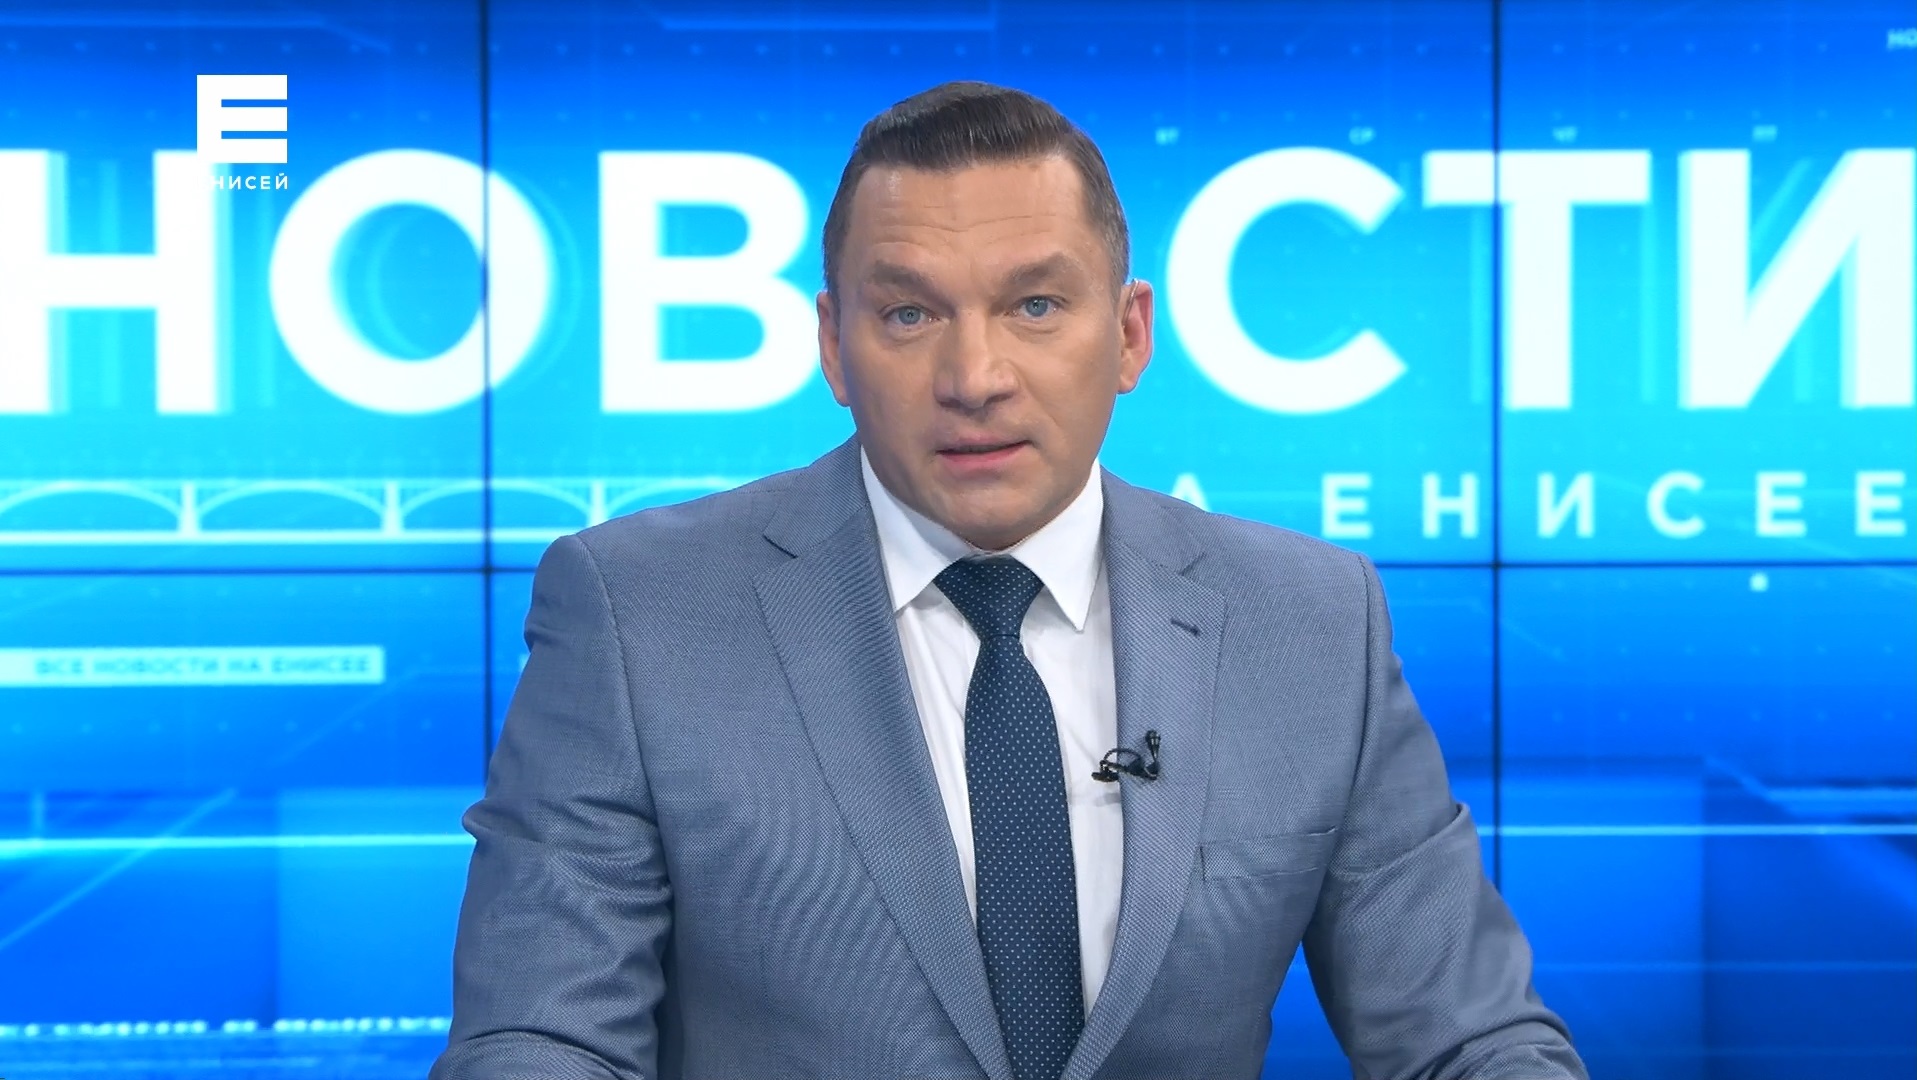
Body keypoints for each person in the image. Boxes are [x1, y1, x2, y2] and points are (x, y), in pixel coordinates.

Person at [431, 81, 1585, 1080]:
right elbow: (540, 1040)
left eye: (1035, 306)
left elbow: (1470, 1040)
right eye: (909, 313)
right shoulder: (638, 616)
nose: (974, 375)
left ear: (1128, 335)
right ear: (834, 345)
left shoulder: (1311, 624)